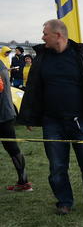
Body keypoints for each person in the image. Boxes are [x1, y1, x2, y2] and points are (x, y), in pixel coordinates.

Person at [18, 19, 83, 215]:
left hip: (81, 122)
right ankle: (64, 202)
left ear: (58, 35)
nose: (42, 37)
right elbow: (33, 89)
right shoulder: (41, 59)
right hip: (52, 123)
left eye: (45, 33)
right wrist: (30, 116)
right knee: (57, 167)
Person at [0, 55, 31, 191]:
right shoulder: (1, 64)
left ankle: (24, 182)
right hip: (6, 113)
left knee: (12, 148)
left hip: (3, 114)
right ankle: (23, 182)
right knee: (13, 148)